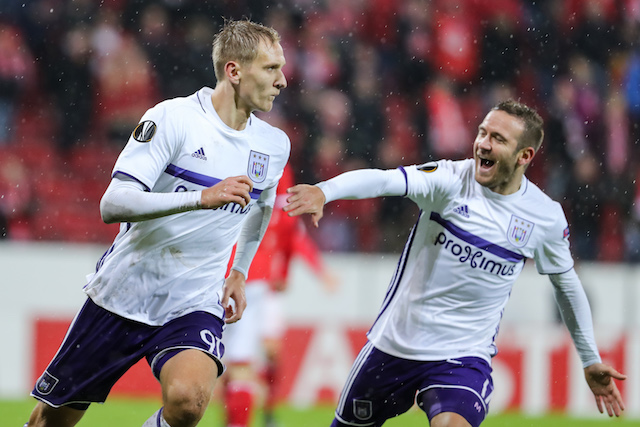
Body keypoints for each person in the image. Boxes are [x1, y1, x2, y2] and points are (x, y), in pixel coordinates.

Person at [283, 100, 626, 427]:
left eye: (498, 138)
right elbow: (384, 179)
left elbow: (566, 285)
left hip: (462, 356)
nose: (483, 144)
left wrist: (590, 357)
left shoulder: (545, 217)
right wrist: (325, 191)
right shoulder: (449, 180)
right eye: (482, 133)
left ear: (525, 156)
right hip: (394, 345)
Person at [25, 18, 289, 427]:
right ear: (234, 71)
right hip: (124, 293)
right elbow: (112, 204)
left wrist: (239, 271)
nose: (282, 80)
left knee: (188, 401)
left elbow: (261, 206)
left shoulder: (273, 144)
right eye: (271, 68)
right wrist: (202, 197)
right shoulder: (174, 119)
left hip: (195, 300)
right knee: (50, 420)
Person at [222, 164, 337, 427]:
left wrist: (288, 276)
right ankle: (234, 417)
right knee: (233, 362)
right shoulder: (254, 200)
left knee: (256, 354)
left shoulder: (273, 207)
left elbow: (294, 241)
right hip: (245, 282)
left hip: (255, 284)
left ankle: (263, 412)